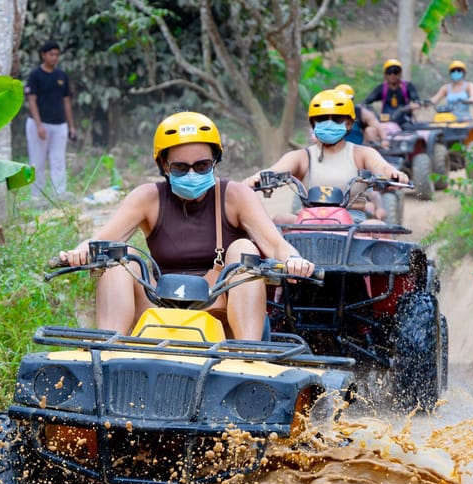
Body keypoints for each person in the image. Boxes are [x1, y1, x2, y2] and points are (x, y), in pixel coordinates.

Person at [59, 111, 314, 341]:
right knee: (119, 256)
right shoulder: (147, 197)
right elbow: (101, 240)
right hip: (159, 307)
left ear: (215, 161)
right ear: (163, 166)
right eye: (180, 168)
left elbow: (275, 243)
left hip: (220, 310)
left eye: (202, 166)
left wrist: (293, 260)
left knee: (244, 248)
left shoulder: (235, 195)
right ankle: (108, 355)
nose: (192, 174)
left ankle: (247, 356)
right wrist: (79, 252)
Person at [244, 90, 409, 224]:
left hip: (354, 221)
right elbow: (275, 170)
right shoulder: (302, 157)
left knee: (376, 226)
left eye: (336, 119)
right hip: (308, 221)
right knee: (279, 220)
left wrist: (393, 174)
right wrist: (258, 178)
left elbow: (382, 167)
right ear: (313, 124)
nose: (329, 123)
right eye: (322, 119)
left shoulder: (362, 154)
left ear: (349, 124)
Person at [25, 40, 77, 200]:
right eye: (51, 54)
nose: (54, 58)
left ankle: (59, 194)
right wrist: (39, 125)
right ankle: (36, 196)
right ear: (43, 55)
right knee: (37, 161)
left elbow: (66, 101)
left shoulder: (61, 76)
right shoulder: (35, 75)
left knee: (58, 161)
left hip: (60, 124)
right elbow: (31, 100)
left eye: (57, 54)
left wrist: (71, 126)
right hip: (38, 124)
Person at [363, 59, 421, 127]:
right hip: (385, 122)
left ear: (400, 73)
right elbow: (366, 101)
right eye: (389, 72)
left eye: (395, 72)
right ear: (385, 75)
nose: (392, 75)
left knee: (409, 131)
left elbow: (417, 103)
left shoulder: (408, 86)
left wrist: (407, 108)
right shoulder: (381, 88)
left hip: (403, 121)